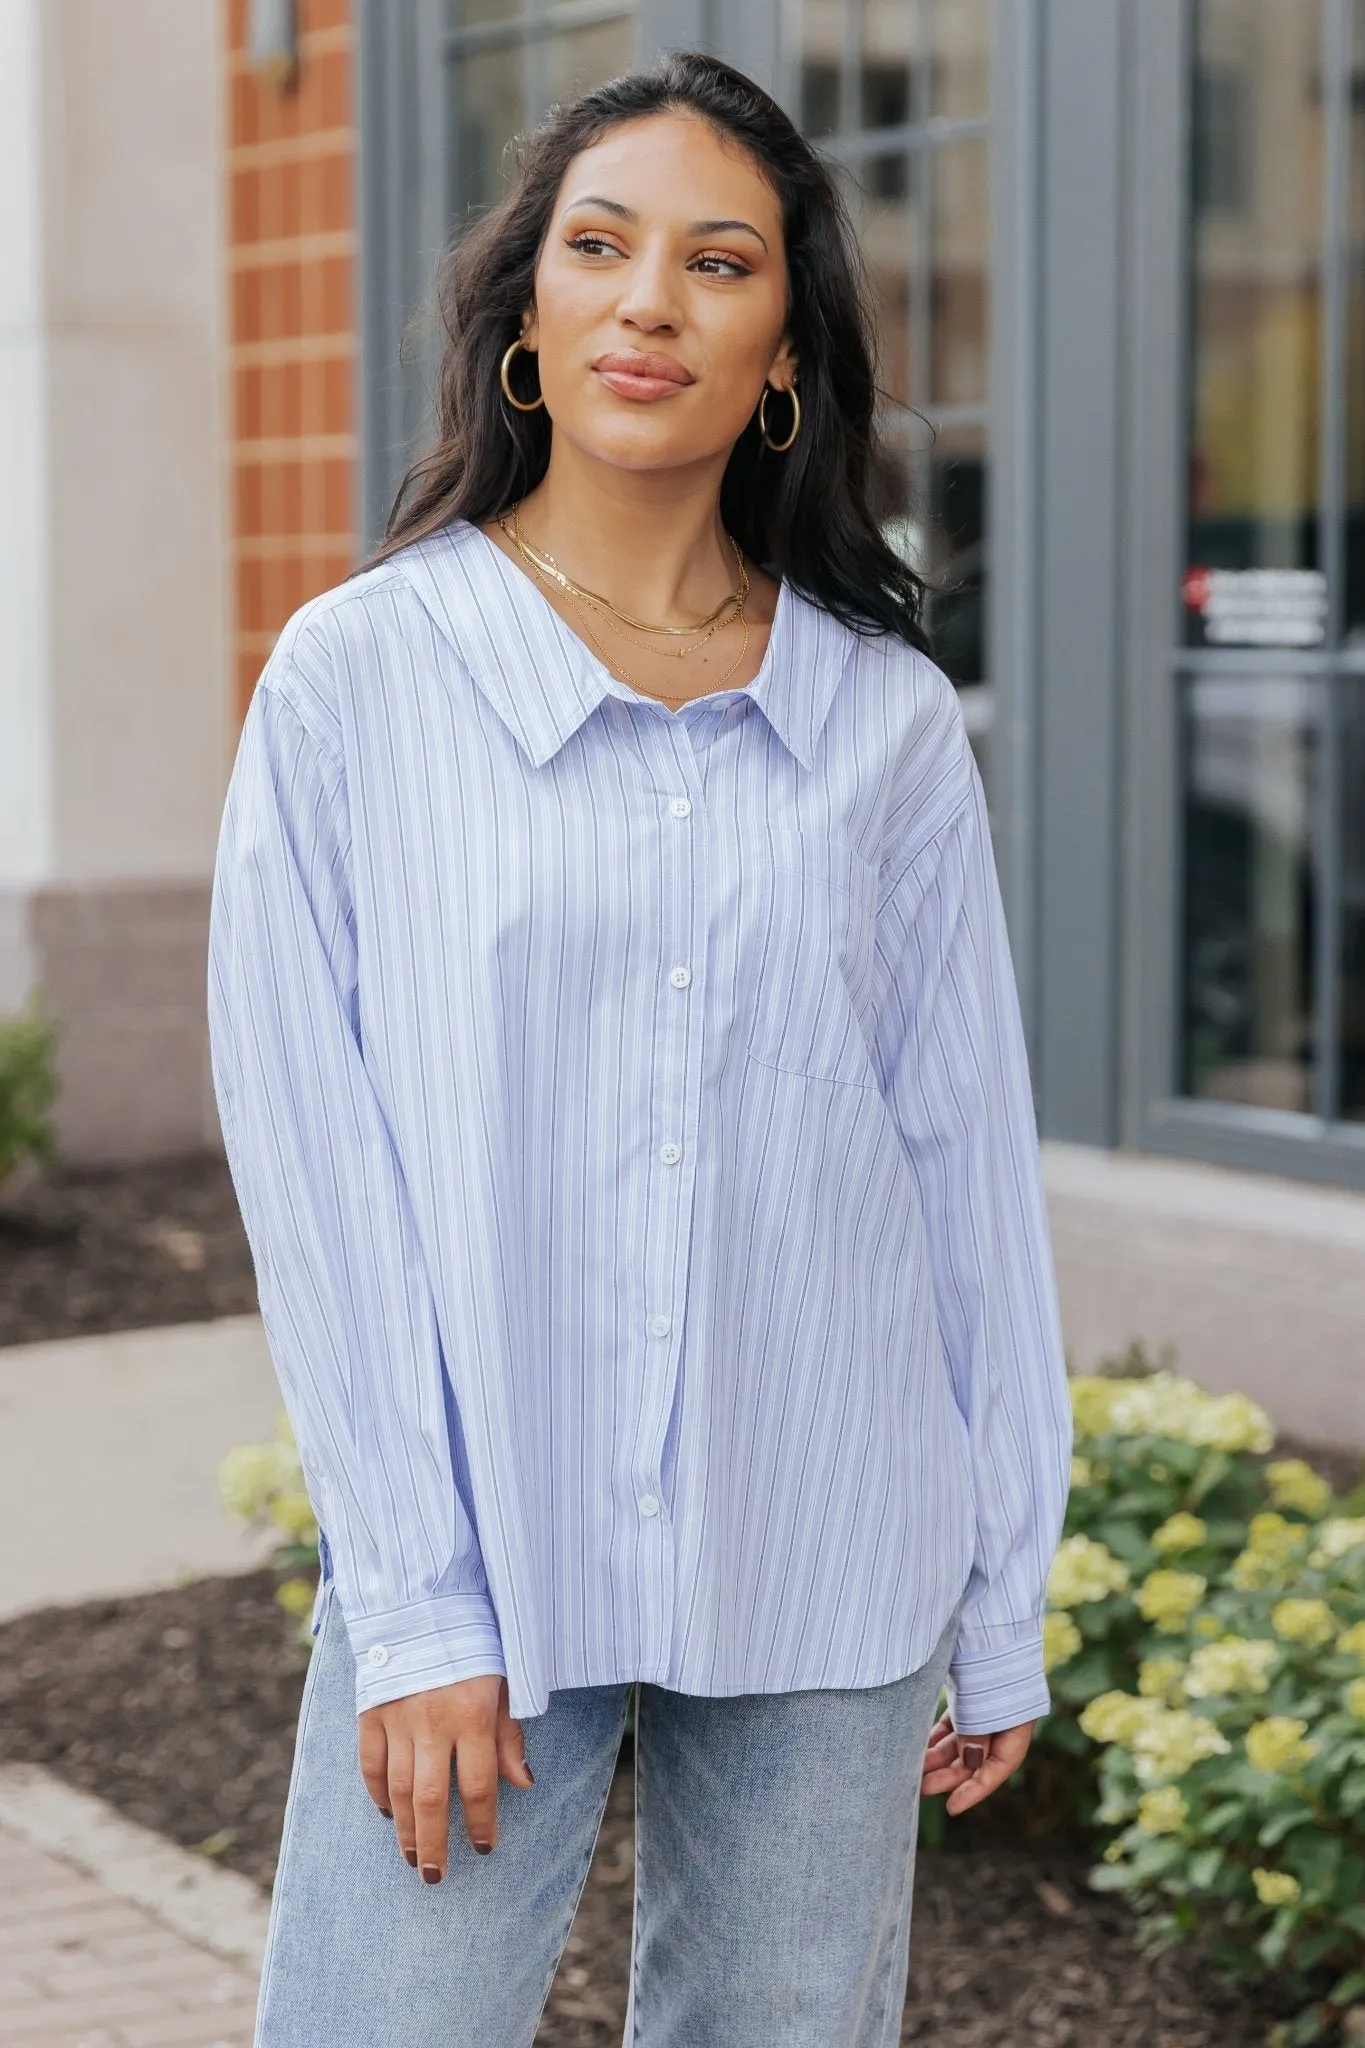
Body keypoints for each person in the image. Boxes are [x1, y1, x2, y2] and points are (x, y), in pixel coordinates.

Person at [208, 50, 1072, 2048]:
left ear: (782, 352)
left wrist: (999, 1593)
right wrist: (416, 1607)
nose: (648, 299)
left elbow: (961, 1177)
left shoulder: (881, 722)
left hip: (831, 1549)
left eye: (716, 259)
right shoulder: (360, 681)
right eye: (596, 246)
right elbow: (325, 1179)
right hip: (484, 1564)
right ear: (528, 315)